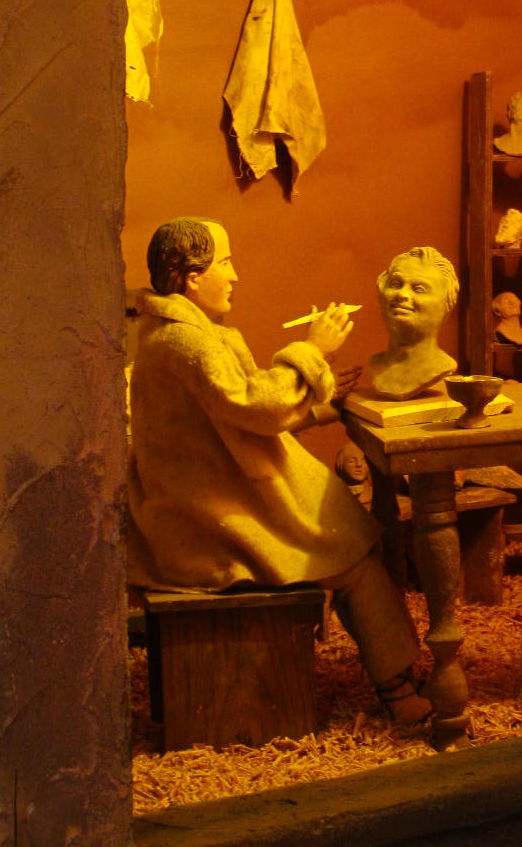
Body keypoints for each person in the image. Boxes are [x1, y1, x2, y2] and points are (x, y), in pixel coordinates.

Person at [127, 216, 429, 724]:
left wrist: (317, 402)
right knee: (354, 557)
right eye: (225, 262)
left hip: (210, 501)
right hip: (209, 523)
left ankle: (398, 670)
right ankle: (397, 687)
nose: (235, 275)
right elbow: (254, 407)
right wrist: (313, 351)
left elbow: (237, 417)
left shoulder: (182, 332)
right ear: (194, 277)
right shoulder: (186, 342)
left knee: (351, 538)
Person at [365, 245, 459, 400]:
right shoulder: (375, 365)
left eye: (419, 289)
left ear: (446, 304)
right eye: (396, 284)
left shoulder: (442, 367)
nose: (402, 294)